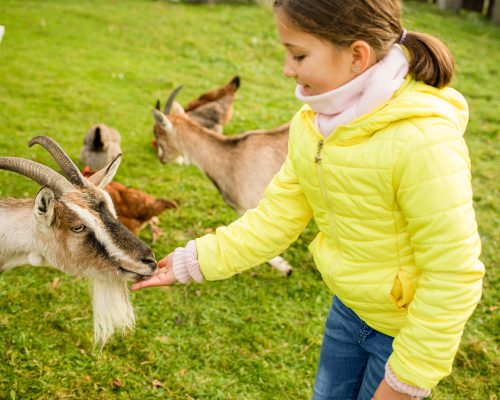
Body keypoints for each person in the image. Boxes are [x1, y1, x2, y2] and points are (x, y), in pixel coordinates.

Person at [132, 1, 485, 398]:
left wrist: (405, 381)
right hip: (348, 310)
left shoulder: (423, 142)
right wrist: (190, 262)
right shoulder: (313, 126)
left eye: (298, 54)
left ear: (357, 55)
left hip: (403, 329)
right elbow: (274, 219)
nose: (286, 68)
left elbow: (453, 275)